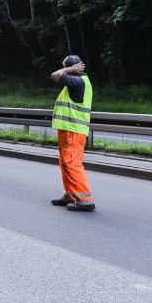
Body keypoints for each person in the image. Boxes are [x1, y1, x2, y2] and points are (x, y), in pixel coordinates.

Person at [49, 55, 95, 211]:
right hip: (68, 129)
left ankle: (85, 200)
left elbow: (56, 75)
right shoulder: (77, 82)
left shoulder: (78, 82)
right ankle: (70, 194)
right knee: (66, 164)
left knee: (72, 164)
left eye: (68, 69)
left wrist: (69, 69)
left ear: (74, 69)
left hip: (74, 131)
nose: (66, 72)